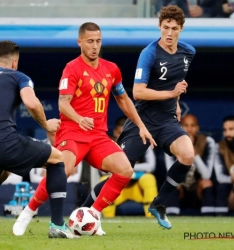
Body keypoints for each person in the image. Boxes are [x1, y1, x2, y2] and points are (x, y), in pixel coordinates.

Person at [13, 22, 156, 236]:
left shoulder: (111, 69)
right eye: (90, 41)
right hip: (73, 132)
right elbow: (63, 103)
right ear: (80, 42)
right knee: (63, 170)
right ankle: (28, 212)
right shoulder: (72, 68)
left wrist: (141, 126)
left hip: (98, 136)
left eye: (98, 41)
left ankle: (92, 216)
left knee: (125, 170)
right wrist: (79, 119)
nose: (95, 46)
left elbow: (124, 99)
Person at [0, 40, 78, 239]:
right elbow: (31, 103)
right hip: (3, 143)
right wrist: (46, 125)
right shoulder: (18, 76)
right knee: (57, 158)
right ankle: (58, 225)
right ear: (15, 62)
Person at [82, 6, 196, 229]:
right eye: (165, 28)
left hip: (167, 120)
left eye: (174, 28)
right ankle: (84, 212)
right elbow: (138, 92)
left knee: (187, 155)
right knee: (120, 172)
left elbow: (175, 82)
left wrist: (175, 103)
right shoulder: (149, 53)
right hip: (141, 121)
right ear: (159, 26)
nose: (169, 33)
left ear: (181, 28)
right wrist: (172, 94)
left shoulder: (188, 52)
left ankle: (159, 204)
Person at [164, 114, 215, 215]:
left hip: (198, 190)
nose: (189, 129)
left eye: (193, 126)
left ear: (198, 128)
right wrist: (184, 152)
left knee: (207, 182)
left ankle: (208, 219)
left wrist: (194, 154)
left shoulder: (208, 142)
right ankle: (172, 218)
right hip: (180, 190)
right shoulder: (170, 143)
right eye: (186, 125)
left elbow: (206, 175)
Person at [100, 146, 157, 218]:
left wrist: (127, 169)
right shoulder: (108, 143)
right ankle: (108, 218)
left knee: (149, 178)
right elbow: (102, 168)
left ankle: (151, 215)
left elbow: (151, 166)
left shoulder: (143, 141)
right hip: (118, 186)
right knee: (105, 179)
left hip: (137, 186)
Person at [214, 115, 234, 215]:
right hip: (228, 184)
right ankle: (220, 219)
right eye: (225, 130)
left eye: (231, 129)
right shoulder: (219, 147)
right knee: (222, 187)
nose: (228, 133)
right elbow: (220, 177)